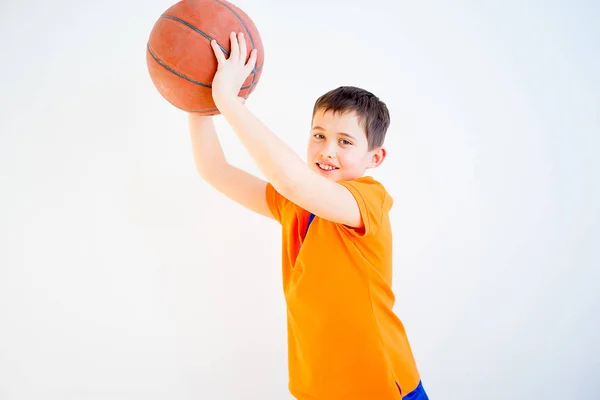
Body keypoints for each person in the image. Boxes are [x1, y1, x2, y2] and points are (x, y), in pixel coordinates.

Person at [188, 31, 429, 400]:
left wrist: (230, 103)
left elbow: (294, 180)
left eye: (345, 141)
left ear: (374, 159)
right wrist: (197, 100)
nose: (326, 150)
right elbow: (215, 170)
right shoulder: (293, 203)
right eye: (318, 135)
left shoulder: (368, 200)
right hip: (317, 388)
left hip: (380, 386)